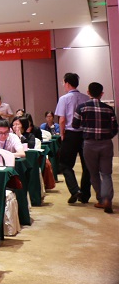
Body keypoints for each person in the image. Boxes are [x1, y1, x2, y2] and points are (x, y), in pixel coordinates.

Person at [73, 82, 118, 213]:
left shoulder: (82, 107)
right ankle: (107, 198)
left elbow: (75, 125)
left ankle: (101, 199)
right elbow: (115, 128)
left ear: (88, 92)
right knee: (106, 173)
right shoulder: (109, 109)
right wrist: (107, 135)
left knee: (93, 173)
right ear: (102, 94)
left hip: (89, 144)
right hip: (106, 143)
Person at [56, 72, 92, 204]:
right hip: (85, 135)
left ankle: (75, 190)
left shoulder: (64, 99)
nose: (63, 85)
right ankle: (85, 195)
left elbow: (62, 120)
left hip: (70, 134)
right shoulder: (86, 98)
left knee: (65, 164)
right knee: (87, 165)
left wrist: (62, 134)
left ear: (67, 83)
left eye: (63, 83)